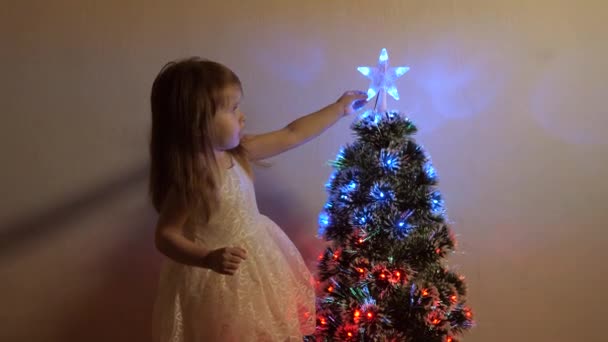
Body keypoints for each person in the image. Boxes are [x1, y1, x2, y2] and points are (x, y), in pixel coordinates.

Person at [149, 57, 367, 341]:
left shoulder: (238, 151)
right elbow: (166, 235)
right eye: (232, 109)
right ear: (197, 124)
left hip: (259, 263)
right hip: (218, 280)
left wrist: (338, 108)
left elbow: (292, 134)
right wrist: (207, 258)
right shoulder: (194, 179)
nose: (242, 117)